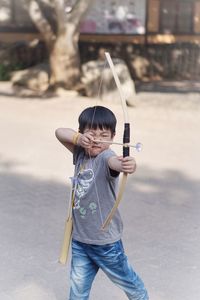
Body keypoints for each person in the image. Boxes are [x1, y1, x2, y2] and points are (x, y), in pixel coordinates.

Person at [55, 106, 149, 300]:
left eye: (104, 135)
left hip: (106, 244)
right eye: (91, 133)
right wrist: (79, 140)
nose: (97, 139)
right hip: (81, 240)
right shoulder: (81, 152)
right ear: (81, 133)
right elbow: (59, 132)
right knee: (78, 290)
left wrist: (127, 164)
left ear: (113, 136)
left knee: (131, 285)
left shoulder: (106, 157)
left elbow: (116, 163)